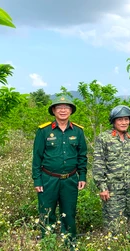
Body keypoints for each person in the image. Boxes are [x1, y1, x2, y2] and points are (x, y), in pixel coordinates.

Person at [32, 96, 87, 242]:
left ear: (71, 111)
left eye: (66, 107)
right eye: (59, 107)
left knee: (69, 213)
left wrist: (82, 176)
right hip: (48, 179)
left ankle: (70, 243)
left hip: (70, 180)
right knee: (46, 212)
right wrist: (37, 180)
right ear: (54, 111)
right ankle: (47, 243)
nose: (63, 110)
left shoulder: (78, 131)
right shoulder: (43, 131)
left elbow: (82, 156)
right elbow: (37, 157)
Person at [93, 105, 130, 231]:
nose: (124, 122)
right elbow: (98, 163)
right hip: (113, 189)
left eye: (126, 119)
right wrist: (102, 187)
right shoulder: (104, 138)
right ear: (113, 121)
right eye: (120, 119)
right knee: (113, 224)